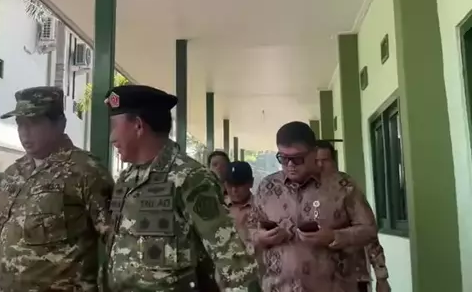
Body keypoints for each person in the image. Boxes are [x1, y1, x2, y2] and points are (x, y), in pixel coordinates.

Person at [0, 86, 114, 292]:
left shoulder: (86, 172)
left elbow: (116, 242)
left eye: (34, 123)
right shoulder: (13, 175)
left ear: (60, 124)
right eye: (20, 124)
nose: (25, 133)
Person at [103, 84, 257, 292]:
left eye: (115, 126)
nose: (111, 137)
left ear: (138, 126)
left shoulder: (190, 178)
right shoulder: (126, 179)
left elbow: (235, 264)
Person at [248, 121, 378, 292]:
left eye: (297, 159)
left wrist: (335, 236)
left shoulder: (342, 186)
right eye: (283, 158)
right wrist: (260, 237)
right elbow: (250, 228)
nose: (290, 165)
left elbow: (369, 230)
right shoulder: (267, 187)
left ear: (314, 153)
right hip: (278, 287)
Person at [316, 141, 391, 292]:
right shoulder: (301, 190)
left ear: (334, 161)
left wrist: (381, 276)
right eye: (316, 161)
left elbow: (369, 234)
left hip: (352, 276)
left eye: (324, 160)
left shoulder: (347, 188)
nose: (320, 165)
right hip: (316, 278)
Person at [221, 161, 262, 292]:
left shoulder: (261, 208)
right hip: (224, 275)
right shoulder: (217, 208)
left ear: (251, 183)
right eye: (230, 185)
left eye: (239, 185)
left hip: (253, 274)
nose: (234, 190)